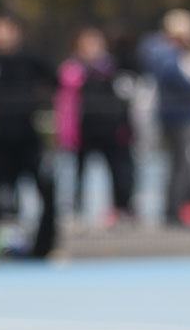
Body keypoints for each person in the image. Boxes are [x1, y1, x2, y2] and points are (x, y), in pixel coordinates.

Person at [0, 13, 59, 259]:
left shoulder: (31, 60)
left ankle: (45, 247)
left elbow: (55, 83)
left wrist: (38, 103)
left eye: (7, 29)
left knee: (45, 190)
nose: (2, 35)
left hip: (28, 137)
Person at [141, 9, 190, 227]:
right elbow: (171, 77)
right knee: (180, 165)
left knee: (185, 164)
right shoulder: (163, 52)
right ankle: (174, 210)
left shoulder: (177, 53)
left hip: (184, 115)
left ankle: (184, 206)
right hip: (175, 116)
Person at [57, 26, 136, 227]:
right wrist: (66, 132)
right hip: (82, 131)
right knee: (75, 173)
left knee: (120, 171)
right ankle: (75, 211)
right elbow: (65, 103)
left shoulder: (115, 69)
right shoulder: (72, 70)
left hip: (111, 130)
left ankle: (121, 209)